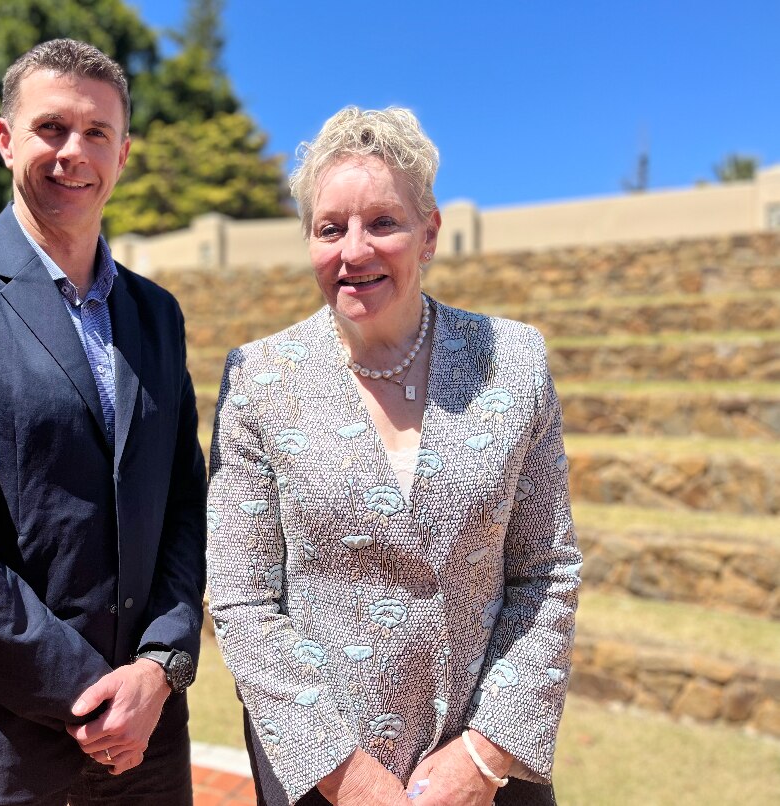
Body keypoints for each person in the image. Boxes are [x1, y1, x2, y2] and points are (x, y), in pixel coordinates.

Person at [206, 106, 581, 806]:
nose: (353, 251)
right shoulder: (258, 379)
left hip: (484, 777)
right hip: (319, 776)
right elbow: (241, 596)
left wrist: (484, 755)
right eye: (329, 228)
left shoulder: (513, 362)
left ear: (429, 233)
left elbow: (547, 571)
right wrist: (346, 776)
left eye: (382, 223)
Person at [0, 38, 207, 806]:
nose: (73, 152)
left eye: (96, 133)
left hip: (146, 749)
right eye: (50, 127)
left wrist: (158, 668)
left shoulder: (157, 317)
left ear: (123, 154)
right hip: (3, 755)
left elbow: (184, 506)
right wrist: (90, 692)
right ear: (5, 140)